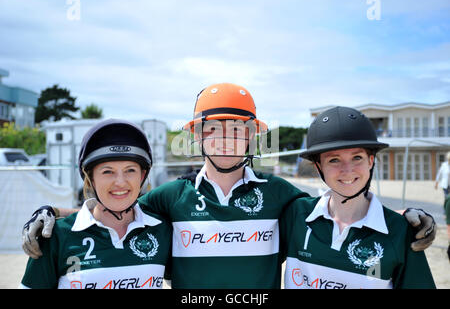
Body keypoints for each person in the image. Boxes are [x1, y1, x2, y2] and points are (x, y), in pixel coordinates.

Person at [21, 83, 437, 288]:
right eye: (214, 129)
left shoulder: (280, 196)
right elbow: (114, 208)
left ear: (253, 136)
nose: (225, 139)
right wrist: (52, 215)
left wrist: (406, 219)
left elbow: (341, 205)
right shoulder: (170, 197)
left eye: (237, 130)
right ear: (197, 136)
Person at [281, 106, 435, 288]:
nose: (347, 170)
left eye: (357, 158)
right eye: (334, 160)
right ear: (318, 167)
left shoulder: (400, 231)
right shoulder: (296, 214)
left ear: (371, 161)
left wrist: (396, 218)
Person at [20, 119, 171, 289]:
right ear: (90, 178)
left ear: (142, 176)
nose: (120, 182)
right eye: (108, 171)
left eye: (130, 170)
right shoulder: (56, 236)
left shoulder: (163, 230)